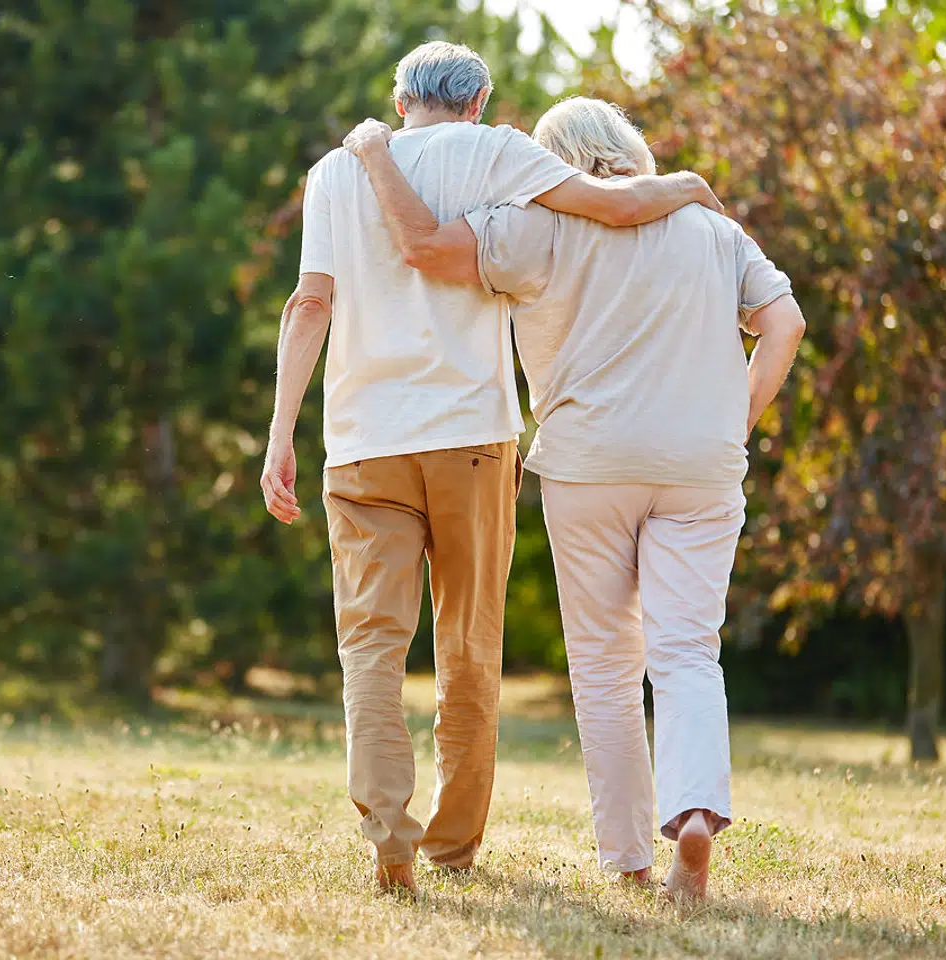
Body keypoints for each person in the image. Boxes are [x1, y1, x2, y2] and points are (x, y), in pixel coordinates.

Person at [259, 43, 723, 895]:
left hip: (362, 444)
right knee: (468, 648)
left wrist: (281, 433)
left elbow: (310, 302)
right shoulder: (500, 151)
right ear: (477, 101)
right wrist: (689, 186)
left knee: (371, 647)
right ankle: (453, 846)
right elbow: (617, 206)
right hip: (472, 438)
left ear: (399, 98)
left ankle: (388, 836)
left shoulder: (334, 172)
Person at [342, 97, 806, 900]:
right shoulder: (709, 226)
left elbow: (425, 248)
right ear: (629, 149)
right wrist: (734, 421)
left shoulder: (535, 225)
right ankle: (695, 814)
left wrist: (378, 156)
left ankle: (628, 857)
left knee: (604, 666)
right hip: (701, 464)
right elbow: (785, 322)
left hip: (588, 464)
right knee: (688, 652)